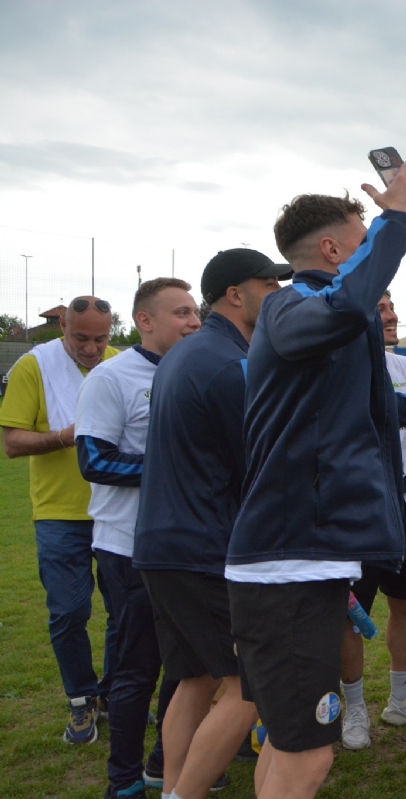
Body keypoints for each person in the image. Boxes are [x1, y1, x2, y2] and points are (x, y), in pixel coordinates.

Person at [225, 165, 406, 799]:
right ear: (333, 250)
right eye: (363, 234)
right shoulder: (289, 308)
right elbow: (350, 302)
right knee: (309, 757)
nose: (373, 247)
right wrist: (398, 218)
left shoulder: (331, 330)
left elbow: (380, 411)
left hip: (305, 565)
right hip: (285, 569)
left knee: (290, 746)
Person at [134, 249, 290, 799]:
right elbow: (260, 464)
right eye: (268, 283)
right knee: (252, 688)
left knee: (194, 678)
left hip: (163, 543)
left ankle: (174, 785)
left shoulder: (189, 352)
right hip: (202, 547)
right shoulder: (228, 363)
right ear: (235, 294)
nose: (279, 293)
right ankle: (182, 793)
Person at [75, 278, 201, 799]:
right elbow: (95, 461)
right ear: (144, 321)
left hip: (189, 546)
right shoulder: (112, 378)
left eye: (195, 311)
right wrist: (177, 466)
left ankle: (161, 763)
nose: (194, 321)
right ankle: (122, 781)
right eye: (180, 313)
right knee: (135, 671)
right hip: (129, 548)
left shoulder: (195, 372)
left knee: (189, 665)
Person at [0, 296, 119, 744]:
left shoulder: (119, 362)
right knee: (69, 611)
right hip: (58, 513)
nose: (92, 348)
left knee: (124, 611)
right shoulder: (35, 366)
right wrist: (65, 437)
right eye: (80, 338)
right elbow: (12, 442)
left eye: (101, 338)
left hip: (116, 510)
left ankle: (112, 693)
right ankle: (80, 700)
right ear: (62, 327)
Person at [338, 291, 406, 750]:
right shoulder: (338, 366)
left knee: (405, 601)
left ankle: (400, 698)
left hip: (403, 500)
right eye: (379, 307)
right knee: (350, 612)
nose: (392, 314)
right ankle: (354, 706)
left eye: (391, 305)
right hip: (356, 504)